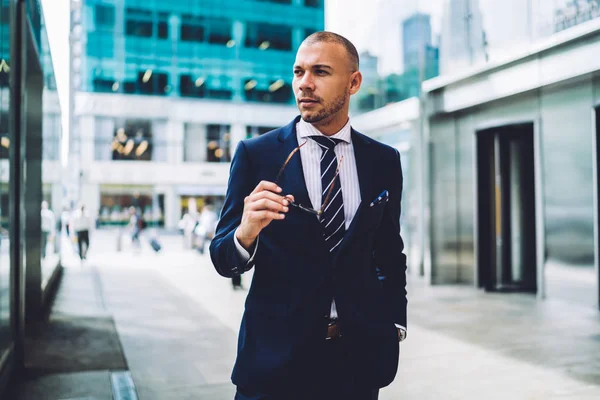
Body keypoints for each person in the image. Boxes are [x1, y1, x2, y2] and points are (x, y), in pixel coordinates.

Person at [210, 32, 407, 400]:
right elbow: (223, 257)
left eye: (320, 72)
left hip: (356, 364)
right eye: (298, 72)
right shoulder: (258, 155)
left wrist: (394, 322)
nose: (304, 83)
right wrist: (245, 233)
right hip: (274, 364)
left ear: (353, 82)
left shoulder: (383, 160)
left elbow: (388, 252)